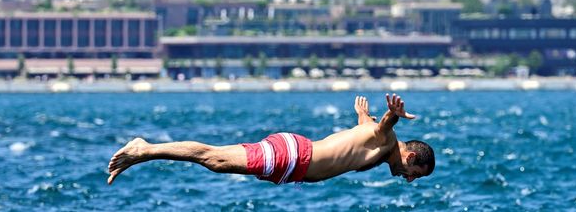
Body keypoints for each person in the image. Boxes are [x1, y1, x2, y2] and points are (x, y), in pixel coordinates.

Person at [107, 93, 435, 185]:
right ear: (410, 158)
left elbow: (367, 126)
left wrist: (362, 113)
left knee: (215, 160)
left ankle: (146, 150)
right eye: (413, 175)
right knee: (214, 158)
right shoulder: (388, 142)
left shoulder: (378, 143)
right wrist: (393, 113)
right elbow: (382, 128)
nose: (408, 180)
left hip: (293, 157)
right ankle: (144, 150)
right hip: (295, 158)